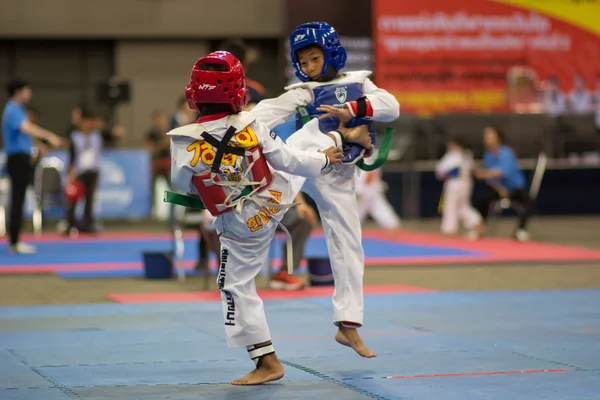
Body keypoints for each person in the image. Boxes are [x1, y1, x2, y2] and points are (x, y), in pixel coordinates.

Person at [169, 51, 370, 385]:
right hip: (277, 197)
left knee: (234, 286)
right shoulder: (252, 124)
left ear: (194, 95)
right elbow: (288, 159)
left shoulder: (182, 141)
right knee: (303, 139)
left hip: (242, 226)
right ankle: (342, 135)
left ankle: (266, 361)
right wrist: (323, 160)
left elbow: (179, 183)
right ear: (238, 92)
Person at [251, 22, 400, 357]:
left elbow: (392, 106)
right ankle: (255, 205)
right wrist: (235, 124)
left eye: (314, 59)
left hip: (340, 174)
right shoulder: (303, 91)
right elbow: (268, 111)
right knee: (306, 135)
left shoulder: (359, 82)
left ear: (332, 53)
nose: (308, 68)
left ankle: (347, 325)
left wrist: (354, 109)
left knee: (349, 243)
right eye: (303, 63)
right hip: (309, 160)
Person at [1, 78, 62, 254]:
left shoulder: (18, 110)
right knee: (17, 199)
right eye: (27, 90)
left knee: (19, 199)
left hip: (22, 156)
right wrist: (49, 136)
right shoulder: (12, 109)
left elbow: (24, 135)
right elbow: (27, 128)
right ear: (18, 92)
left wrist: (38, 146)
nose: (30, 94)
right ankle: (14, 242)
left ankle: (15, 240)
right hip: (16, 158)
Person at [474, 126, 531, 241]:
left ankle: (521, 230)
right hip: (500, 189)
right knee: (481, 200)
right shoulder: (488, 156)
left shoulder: (507, 153)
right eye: (486, 137)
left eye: (490, 136)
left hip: (515, 188)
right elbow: (491, 180)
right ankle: (480, 229)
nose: (487, 139)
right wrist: (500, 189)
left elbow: (501, 172)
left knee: (528, 202)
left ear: (498, 138)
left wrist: (483, 174)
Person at [64, 107, 103, 235]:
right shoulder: (75, 136)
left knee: (90, 199)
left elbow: (108, 132)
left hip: (93, 170)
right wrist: (71, 171)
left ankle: (88, 224)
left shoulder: (97, 135)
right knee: (74, 198)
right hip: (79, 171)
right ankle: (70, 223)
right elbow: (72, 154)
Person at [435, 135, 481, 238]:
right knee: (463, 207)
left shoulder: (452, 155)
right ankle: (476, 221)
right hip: (466, 184)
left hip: (454, 184)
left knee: (450, 207)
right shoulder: (467, 155)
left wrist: (444, 175)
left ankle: (449, 230)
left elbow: (440, 171)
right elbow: (473, 169)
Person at [355, 149, 401, 231]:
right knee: (360, 212)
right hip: (367, 190)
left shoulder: (368, 160)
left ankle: (393, 225)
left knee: (376, 209)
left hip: (368, 190)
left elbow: (368, 178)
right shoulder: (363, 160)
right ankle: (392, 225)